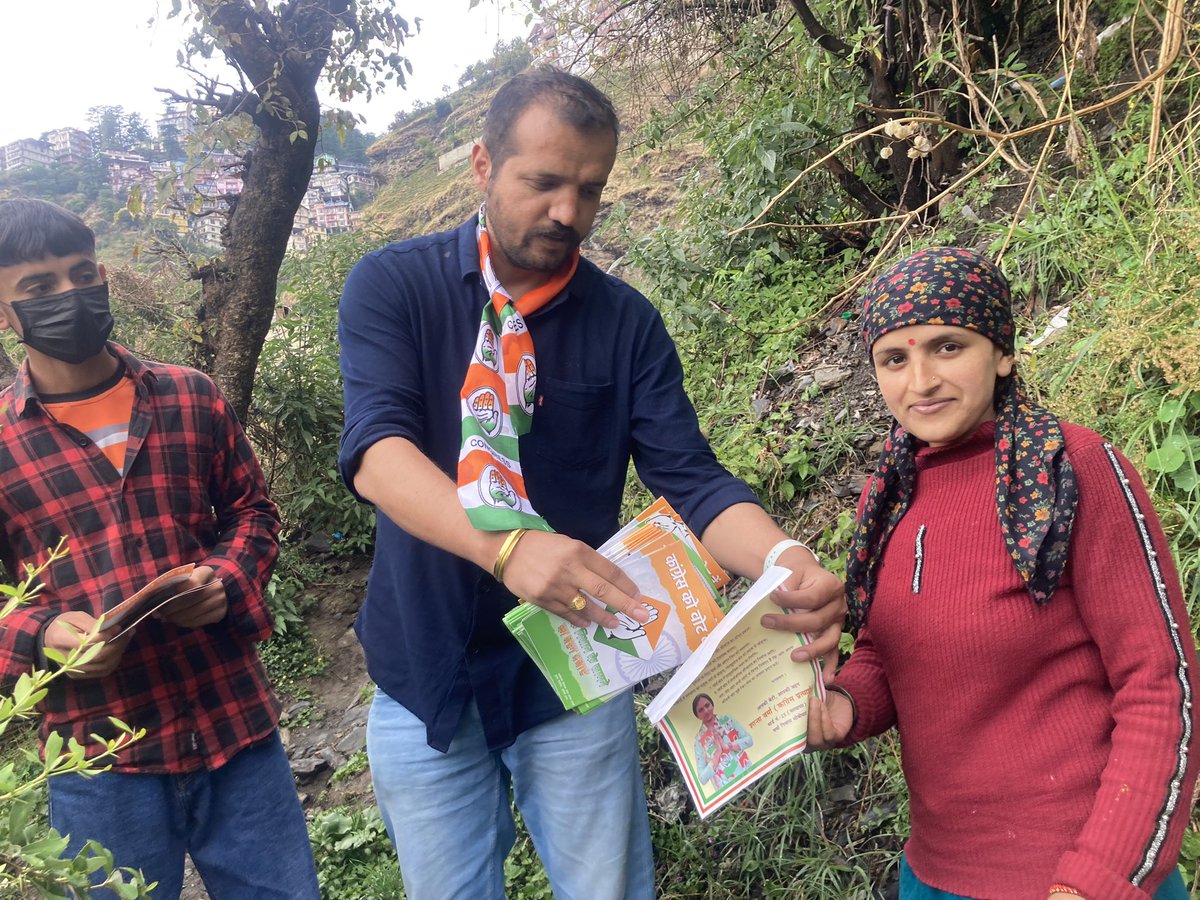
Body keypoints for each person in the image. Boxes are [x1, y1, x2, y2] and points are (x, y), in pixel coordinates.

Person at [338, 66, 846, 900]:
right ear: (481, 165)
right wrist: (506, 548)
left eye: (589, 190)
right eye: (542, 182)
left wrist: (783, 556)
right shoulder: (396, 287)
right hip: (421, 668)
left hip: (575, 675)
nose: (567, 213)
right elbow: (377, 449)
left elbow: (691, 479)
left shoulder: (626, 325)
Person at [807, 247, 1200, 900]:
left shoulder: (1071, 470)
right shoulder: (892, 495)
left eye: (948, 347)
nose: (921, 380)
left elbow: (1162, 686)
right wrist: (843, 707)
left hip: (1074, 876)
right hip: (934, 875)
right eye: (895, 359)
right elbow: (889, 648)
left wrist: (1099, 878)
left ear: (1003, 353)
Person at [0, 198, 319, 899]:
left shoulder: (189, 397)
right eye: (38, 287)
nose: (68, 296)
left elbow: (252, 513)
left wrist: (227, 580)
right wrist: (44, 633)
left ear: (103, 274)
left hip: (233, 727)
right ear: (4, 312)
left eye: (81, 274)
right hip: (98, 761)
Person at [692, 693, 753, 789]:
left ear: (712, 704)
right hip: (726, 789)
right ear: (697, 716)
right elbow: (702, 778)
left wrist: (728, 746)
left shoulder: (727, 719)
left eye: (707, 705)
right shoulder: (699, 740)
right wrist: (717, 754)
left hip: (748, 774)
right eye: (700, 710)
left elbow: (749, 740)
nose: (706, 710)